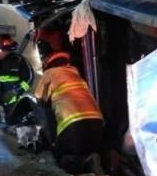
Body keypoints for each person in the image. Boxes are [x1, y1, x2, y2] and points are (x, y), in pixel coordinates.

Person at [34, 40, 104, 169]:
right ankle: (93, 162)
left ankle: (81, 167)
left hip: (72, 123)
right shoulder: (75, 73)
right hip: (97, 121)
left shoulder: (50, 73)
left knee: (64, 157)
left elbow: (39, 100)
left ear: (48, 62)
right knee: (87, 150)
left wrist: (47, 133)